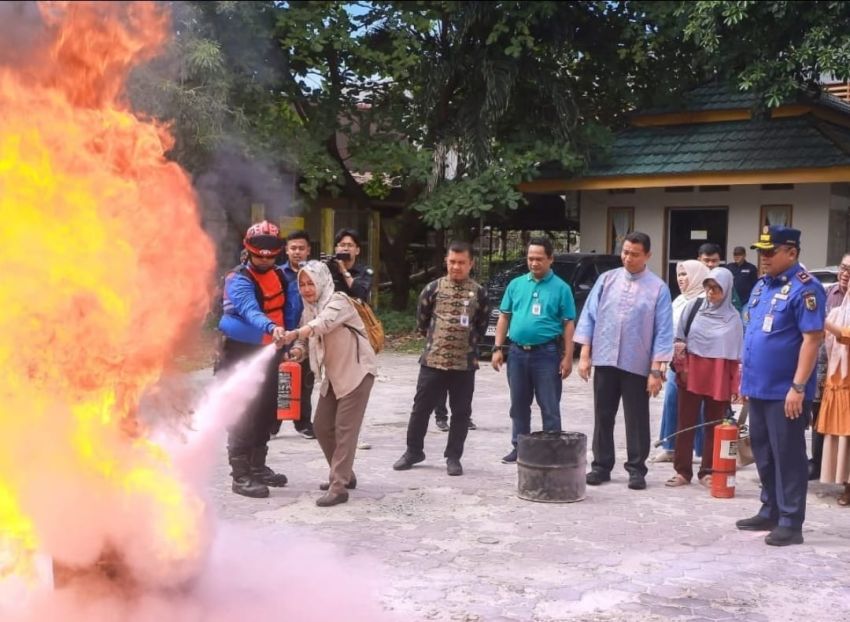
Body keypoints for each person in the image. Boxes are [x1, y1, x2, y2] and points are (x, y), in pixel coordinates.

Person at [737, 225, 825, 546]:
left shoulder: (807, 288)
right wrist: (744, 379)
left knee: (788, 455)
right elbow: (753, 334)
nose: (764, 257)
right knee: (763, 452)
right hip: (758, 387)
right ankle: (770, 508)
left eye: (770, 252)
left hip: (785, 391)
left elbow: (812, 339)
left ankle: (791, 520)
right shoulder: (762, 286)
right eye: (761, 251)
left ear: (792, 252)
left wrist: (799, 387)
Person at [576, 231, 673, 491]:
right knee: (603, 414)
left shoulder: (658, 288)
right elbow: (589, 317)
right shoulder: (606, 280)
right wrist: (585, 356)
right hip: (605, 358)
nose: (628, 258)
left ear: (648, 256)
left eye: (635, 254)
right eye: (625, 252)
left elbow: (664, 331)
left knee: (637, 417)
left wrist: (656, 371)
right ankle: (601, 465)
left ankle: (636, 468)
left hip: (637, 363)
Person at [284, 261, 377, 506]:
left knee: (345, 430)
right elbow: (306, 341)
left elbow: (322, 325)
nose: (306, 289)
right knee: (322, 426)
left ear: (322, 280)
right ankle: (346, 475)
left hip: (357, 372)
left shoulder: (339, 301)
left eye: (310, 283)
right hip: (333, 376)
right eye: (302, 284)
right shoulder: (309, 309)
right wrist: (296, 350)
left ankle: (339, 487)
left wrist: (294, 334)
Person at [217, 221, 299, 498]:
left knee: (267, 410)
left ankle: (257, 466)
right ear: (248, 251)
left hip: (272, 348)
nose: (265, 259)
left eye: (270, 255)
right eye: (259, 255)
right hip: (240, 351)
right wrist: (270, 328)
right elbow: (250, 310)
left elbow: (288, 311)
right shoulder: (237, 278)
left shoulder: (281, 276)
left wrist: (288, 340)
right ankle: (240, 476)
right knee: (243, 412)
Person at [393, 242, 489, 476]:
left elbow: (481, 324)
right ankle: (413, 451)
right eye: (452, 262)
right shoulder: (432, 288)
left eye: (461, 263)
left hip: (464, 365)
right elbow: (422, 322)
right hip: (433, 362)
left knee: (461, 413)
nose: (456, 267)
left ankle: (453, 457)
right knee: (420, 409)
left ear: (471, 264)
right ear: (446, 262)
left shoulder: (479, 292)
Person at [491, 237, 576, 464]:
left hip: (546, 354)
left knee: (549, 404)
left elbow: (568, 324)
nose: (534, 263)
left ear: (550, 259)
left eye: (539, 259)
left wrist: (568, 357)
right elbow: (504, 316)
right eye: (530, 258)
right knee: (518, 404)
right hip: (517, 353)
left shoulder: (561, 288)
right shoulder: (516, 285)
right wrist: (498, 348)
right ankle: (520, 447)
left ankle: (551, 449)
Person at [666, 267, 743, 487]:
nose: (711, 293)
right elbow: (679, 339)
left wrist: (736, 386)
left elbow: (736, 355)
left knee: (714, 423)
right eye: (709, 287)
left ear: (727, 290)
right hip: (691, 373)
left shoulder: (733, 318)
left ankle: (708, 470)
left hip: (719, 374)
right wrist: (681, 368)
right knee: (685, 421)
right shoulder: (694, 307)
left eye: (717, 289)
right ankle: (682, 471)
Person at [652, 260, 710, 463]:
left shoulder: (706, 301)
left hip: (698, 362)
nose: (681, 279)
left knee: (700, 407)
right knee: (671, 402)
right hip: (676, 362)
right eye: (679, 275)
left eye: (686, 275)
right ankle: (669, 447)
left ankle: (703, 451)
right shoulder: (679, 300)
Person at [270, 229, 317, 440]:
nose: (297, 252)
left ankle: (304, 423)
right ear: (286, 251)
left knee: (305, 379)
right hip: (280, 331)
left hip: (307, 332)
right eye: (293, 248)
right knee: (275, 379)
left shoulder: (316, 273)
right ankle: (272, 423)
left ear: (309, 250)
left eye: (301, 248)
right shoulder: (277, 273)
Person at [809, 255, 850, 480]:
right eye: (844, 268)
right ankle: (832, 474)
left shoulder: (832, 317)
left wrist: (826, 324)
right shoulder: (831, 299)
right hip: (832, 374)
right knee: (830, 428)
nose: (847, 274)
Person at [816, 284, 850, 506]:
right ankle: (844, 483)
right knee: (842, 437)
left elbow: (844, 335)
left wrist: (822, 319)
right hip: (837, 380)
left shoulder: (832, 317)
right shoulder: (838, 312)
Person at [329, 228, 374, 303]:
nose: (346, 249)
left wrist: (344, 270)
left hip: (356, 311)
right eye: (342, 245)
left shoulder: (365, 271)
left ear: (357, 251)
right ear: (336, 249)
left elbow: (361, 294)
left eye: (350, 245)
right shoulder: (329, 268)